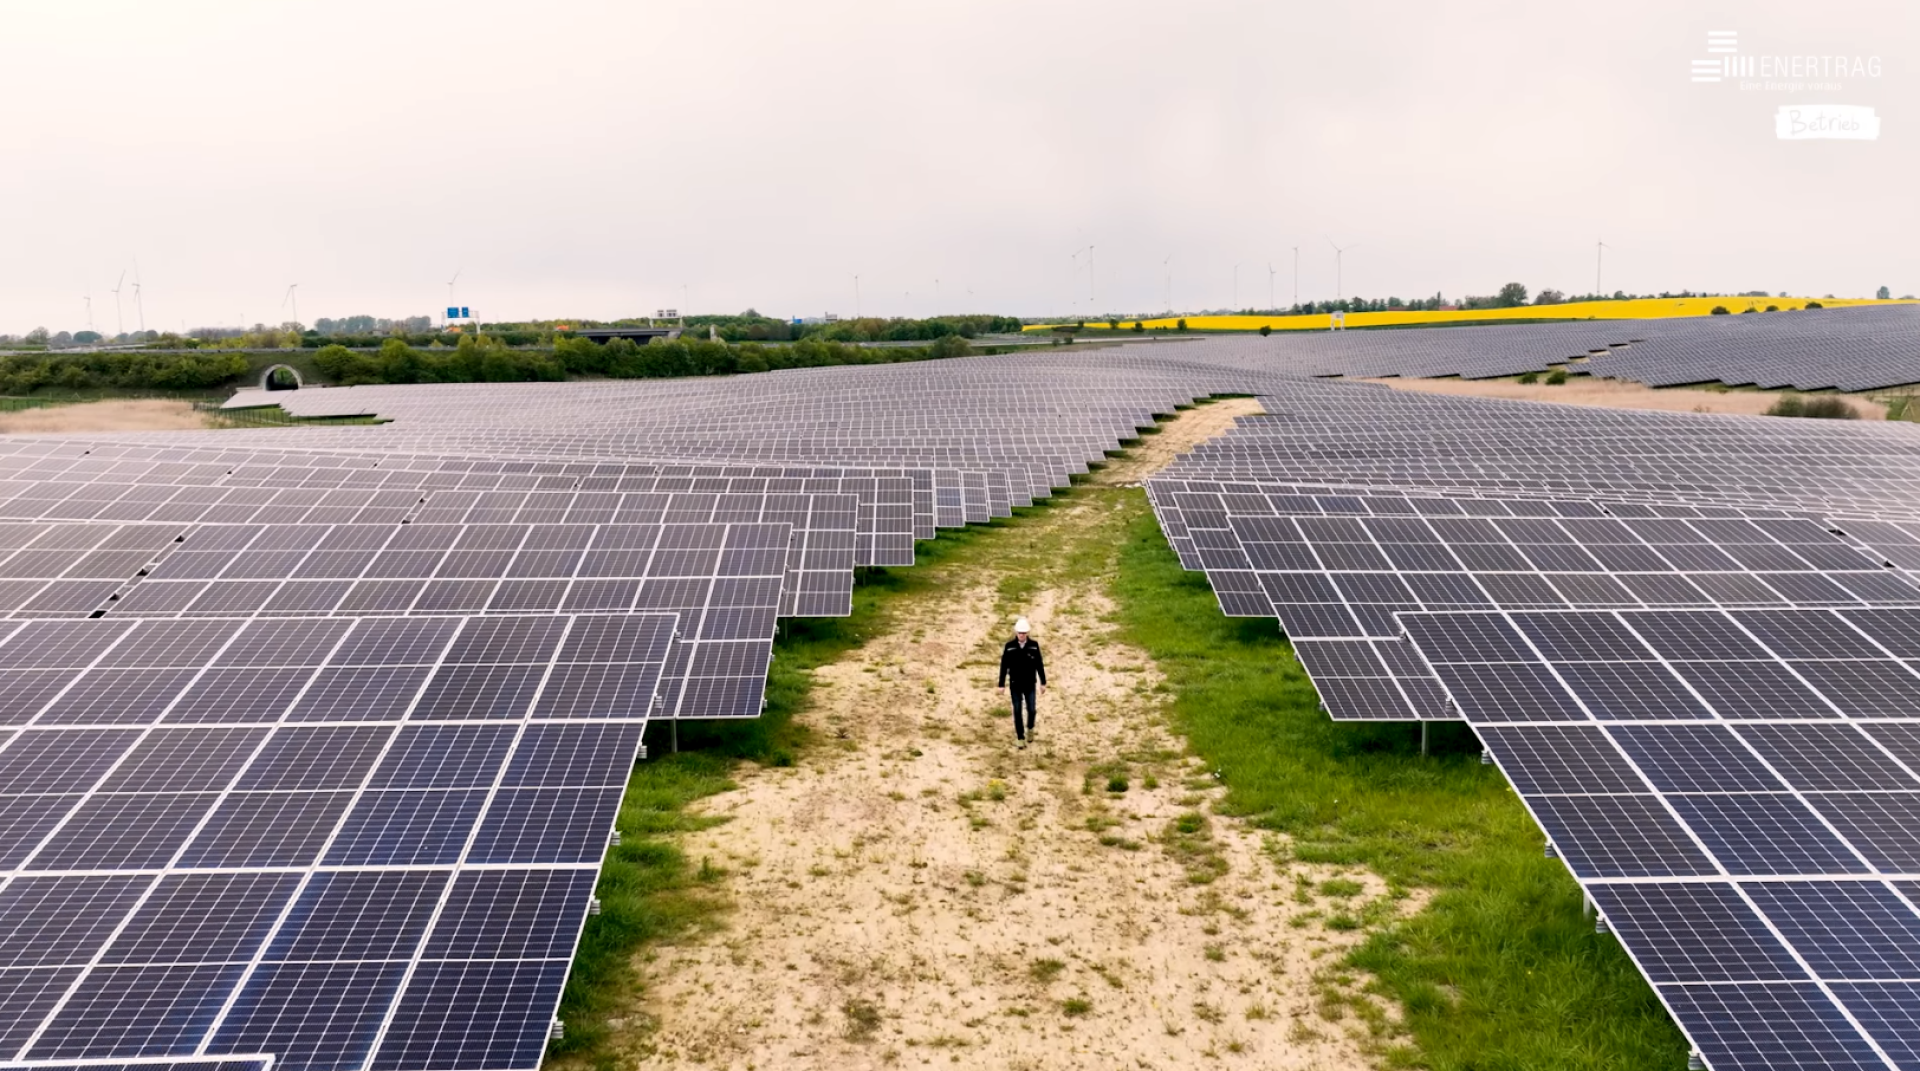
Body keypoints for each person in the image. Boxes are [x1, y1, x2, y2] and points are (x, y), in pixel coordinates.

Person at [998, 616, 1046, 749]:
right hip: (1015, 685)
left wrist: (1043, 682)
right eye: (1020, 633)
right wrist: (1001, 684)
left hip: (1030, 684)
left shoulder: (1034, 646)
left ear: (1027, 633)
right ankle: (1020, 737)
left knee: (1031, 710)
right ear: (1016, 632)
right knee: (1017, 711)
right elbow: (1003, 666)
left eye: (1024, 633)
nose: (1022, 635)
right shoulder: (1009, 647)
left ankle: (1030, 727)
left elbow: (1039, 665)